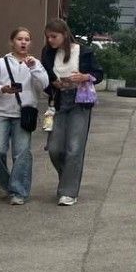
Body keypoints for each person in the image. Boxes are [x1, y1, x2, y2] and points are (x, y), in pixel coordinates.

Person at [0, 27, 49, 206]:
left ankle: (19, 191)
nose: (23, 42)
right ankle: (5, 184)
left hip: (24, 113)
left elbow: (44, 85)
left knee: (21, 154)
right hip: (2, 112)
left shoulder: (35, 64)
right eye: (20, 39)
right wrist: (1, 89)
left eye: (27, 39)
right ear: (12, 41)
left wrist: (34, 68)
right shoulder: (0, 63)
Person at [41, 18, 104, 206]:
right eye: (48, 37)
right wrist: (54, 84)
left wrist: (84, 77)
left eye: (54, 36)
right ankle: (68, 177)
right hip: (59, 101)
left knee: (74, 147)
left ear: (64, 34)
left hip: (80, 101)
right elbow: (44, 77)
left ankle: (68, 192)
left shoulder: (83, 51)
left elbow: (98, 74)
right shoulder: (47, 53)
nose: (50, 40)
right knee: (54, 148)